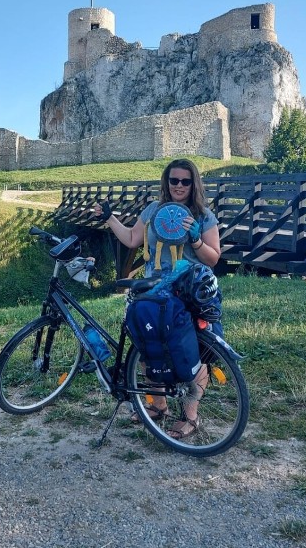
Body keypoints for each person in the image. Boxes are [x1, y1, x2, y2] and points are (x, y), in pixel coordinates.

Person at [93, 158, 221, 440]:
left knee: (195, 355)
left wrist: (196, 240)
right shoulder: (152, 210)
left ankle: (190, 416)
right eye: (173, 180)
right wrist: (109, 217)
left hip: (189, 292)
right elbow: (130, 239)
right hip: (152, 291)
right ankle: (157, 405)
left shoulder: (203, 215)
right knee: (148, 347)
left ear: (193, 184)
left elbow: (213, 258)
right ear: (166, 182)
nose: (178, 186)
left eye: (185, 181)